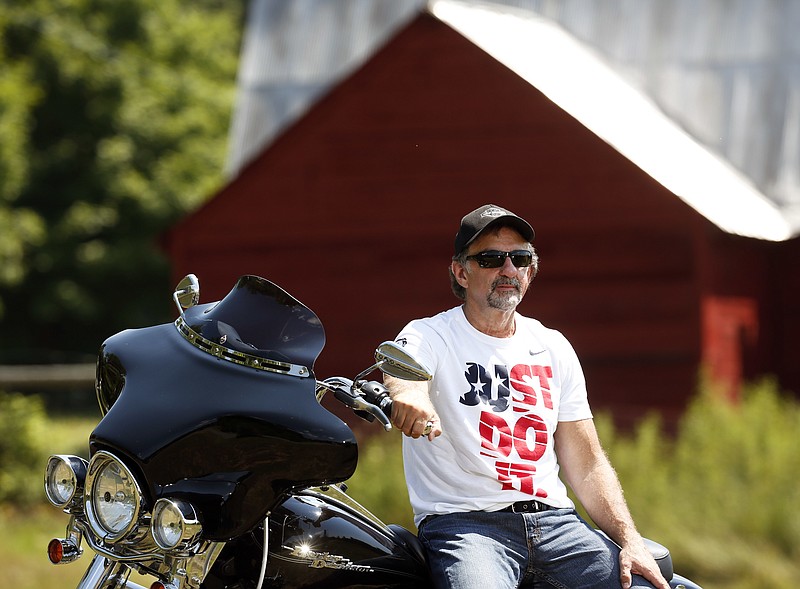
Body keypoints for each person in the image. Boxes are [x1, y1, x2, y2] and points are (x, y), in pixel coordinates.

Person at [385, 204, 670, 589]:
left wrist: (630, 541)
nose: (508, 269)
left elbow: (587, 464)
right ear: (460, 272)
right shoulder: (430, 335)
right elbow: (402, 372)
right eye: (490, 258)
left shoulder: (552, 345)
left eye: (519, 258)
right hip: (469, 526)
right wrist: (411, 398)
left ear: (530, 271)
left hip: (558, 524)